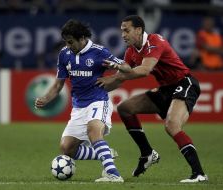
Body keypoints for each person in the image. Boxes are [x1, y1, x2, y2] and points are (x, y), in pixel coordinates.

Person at [96, 15, 208, 183]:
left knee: (172, 125)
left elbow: (145, 70)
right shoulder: (131, 52)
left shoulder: (155, 41)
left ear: (139, 30)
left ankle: (199, 174)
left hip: (184, 83)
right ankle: (147, 153)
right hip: (165, 89)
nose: (123, 35)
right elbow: (120, 78)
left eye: (126, 30)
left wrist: (119, 68)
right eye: (121, 31)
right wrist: (98, 87)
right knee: (124, 108)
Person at [34, 19, 124, 183]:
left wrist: (114, 79)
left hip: (98, 101)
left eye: (71, 42)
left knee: (94, 130)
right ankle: (105, 153)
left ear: (82, 38)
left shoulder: (99, 52)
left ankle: (113, 174)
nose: (68, 45)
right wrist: (45, 99)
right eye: (66, 42)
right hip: (78, 107)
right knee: (67, 149)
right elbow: (58, 84)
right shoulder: (64, 54)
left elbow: (126, 68)